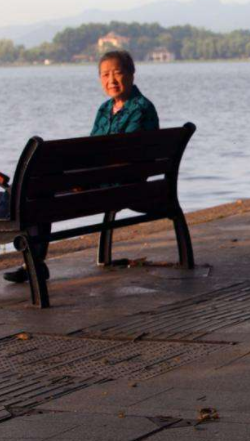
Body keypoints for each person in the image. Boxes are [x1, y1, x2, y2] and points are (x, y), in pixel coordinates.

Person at [3, 50, 159, 284]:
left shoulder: (141, 108)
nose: (111, 80)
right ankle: (33, 261)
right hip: (102, 180)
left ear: (132, 74)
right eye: (105, 75)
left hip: (116, 184)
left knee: (36, 190)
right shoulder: (104, 109)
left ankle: (27, 248)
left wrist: (82, 177)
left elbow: (124, 159)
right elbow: (93, 150)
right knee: (37, 189)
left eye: (117, 73)